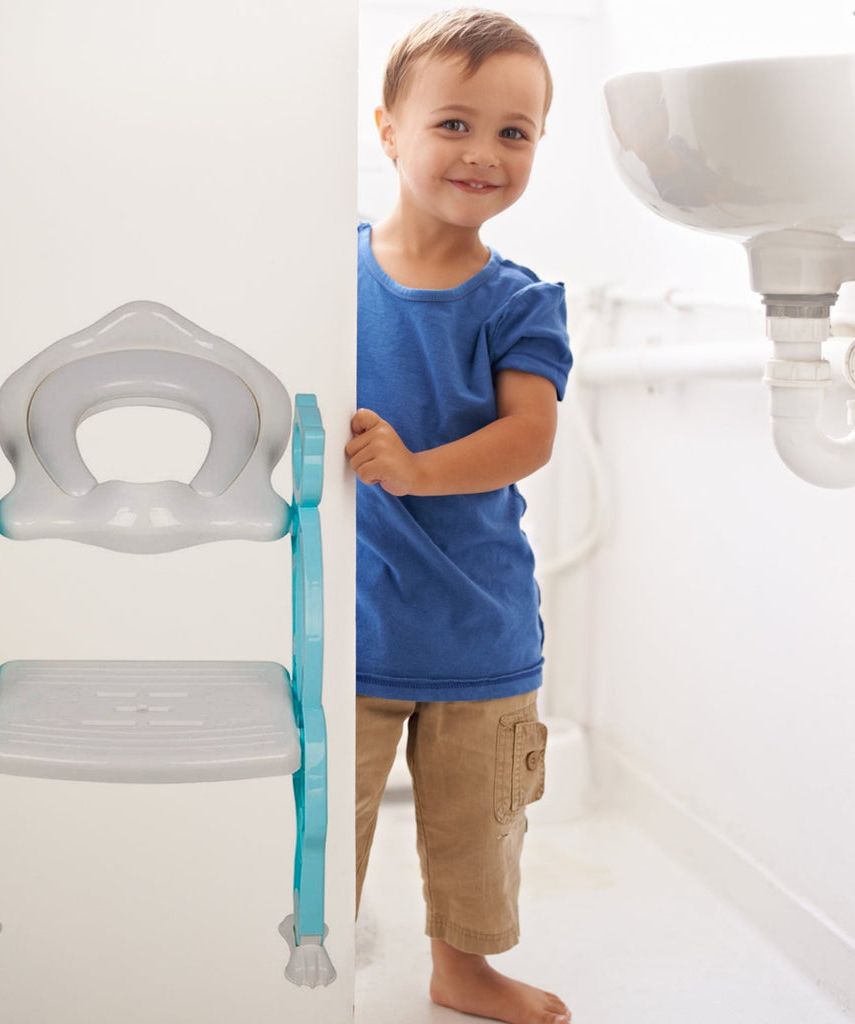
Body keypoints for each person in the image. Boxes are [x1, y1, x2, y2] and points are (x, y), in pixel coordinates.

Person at [345, 9, 573, 1024]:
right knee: (315, 826)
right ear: (389, 129)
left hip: (478, 629)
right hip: (347, 630)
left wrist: (412, 467)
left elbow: (529, 434)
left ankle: (462, 968)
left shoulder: (519, 302)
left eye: (514, 132)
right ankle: (304, 954)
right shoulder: (328, 277)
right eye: (453, 123)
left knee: (478, 824)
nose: (484, 151)